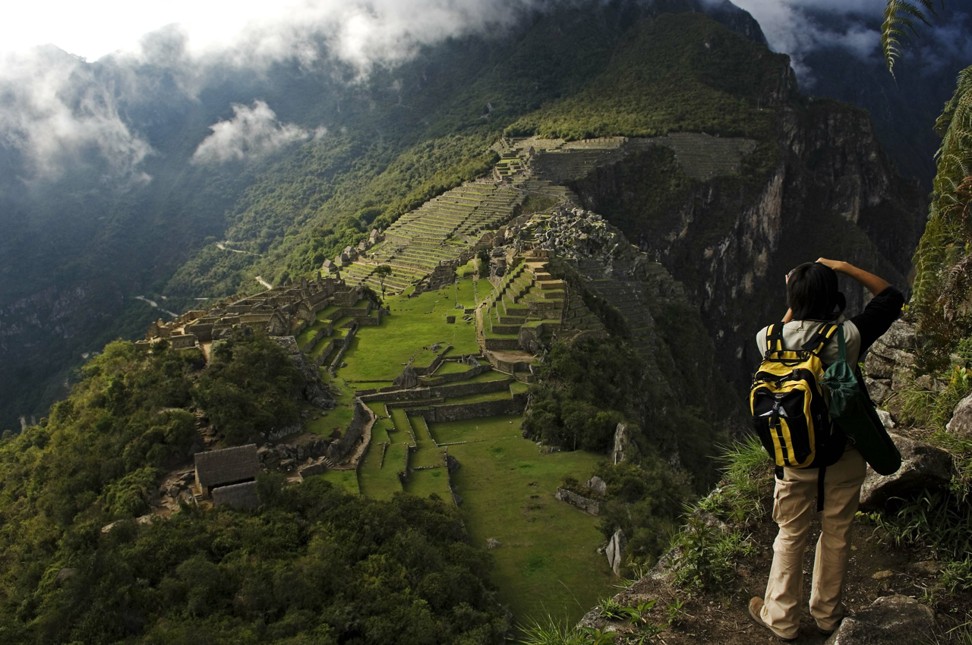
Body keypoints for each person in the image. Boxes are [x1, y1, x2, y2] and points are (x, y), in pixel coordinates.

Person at [748, 257, 904, 641]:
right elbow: (890, 296)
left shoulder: (766, 337)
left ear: (794, 298)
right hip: (843, 454)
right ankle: (827, 614)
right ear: (832, 298)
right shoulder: (847, 338)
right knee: (836, 532)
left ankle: (781, 619)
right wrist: (844, 267)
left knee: (789, 534)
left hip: (793, 456)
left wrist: (794, 295)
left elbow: (785, 331)